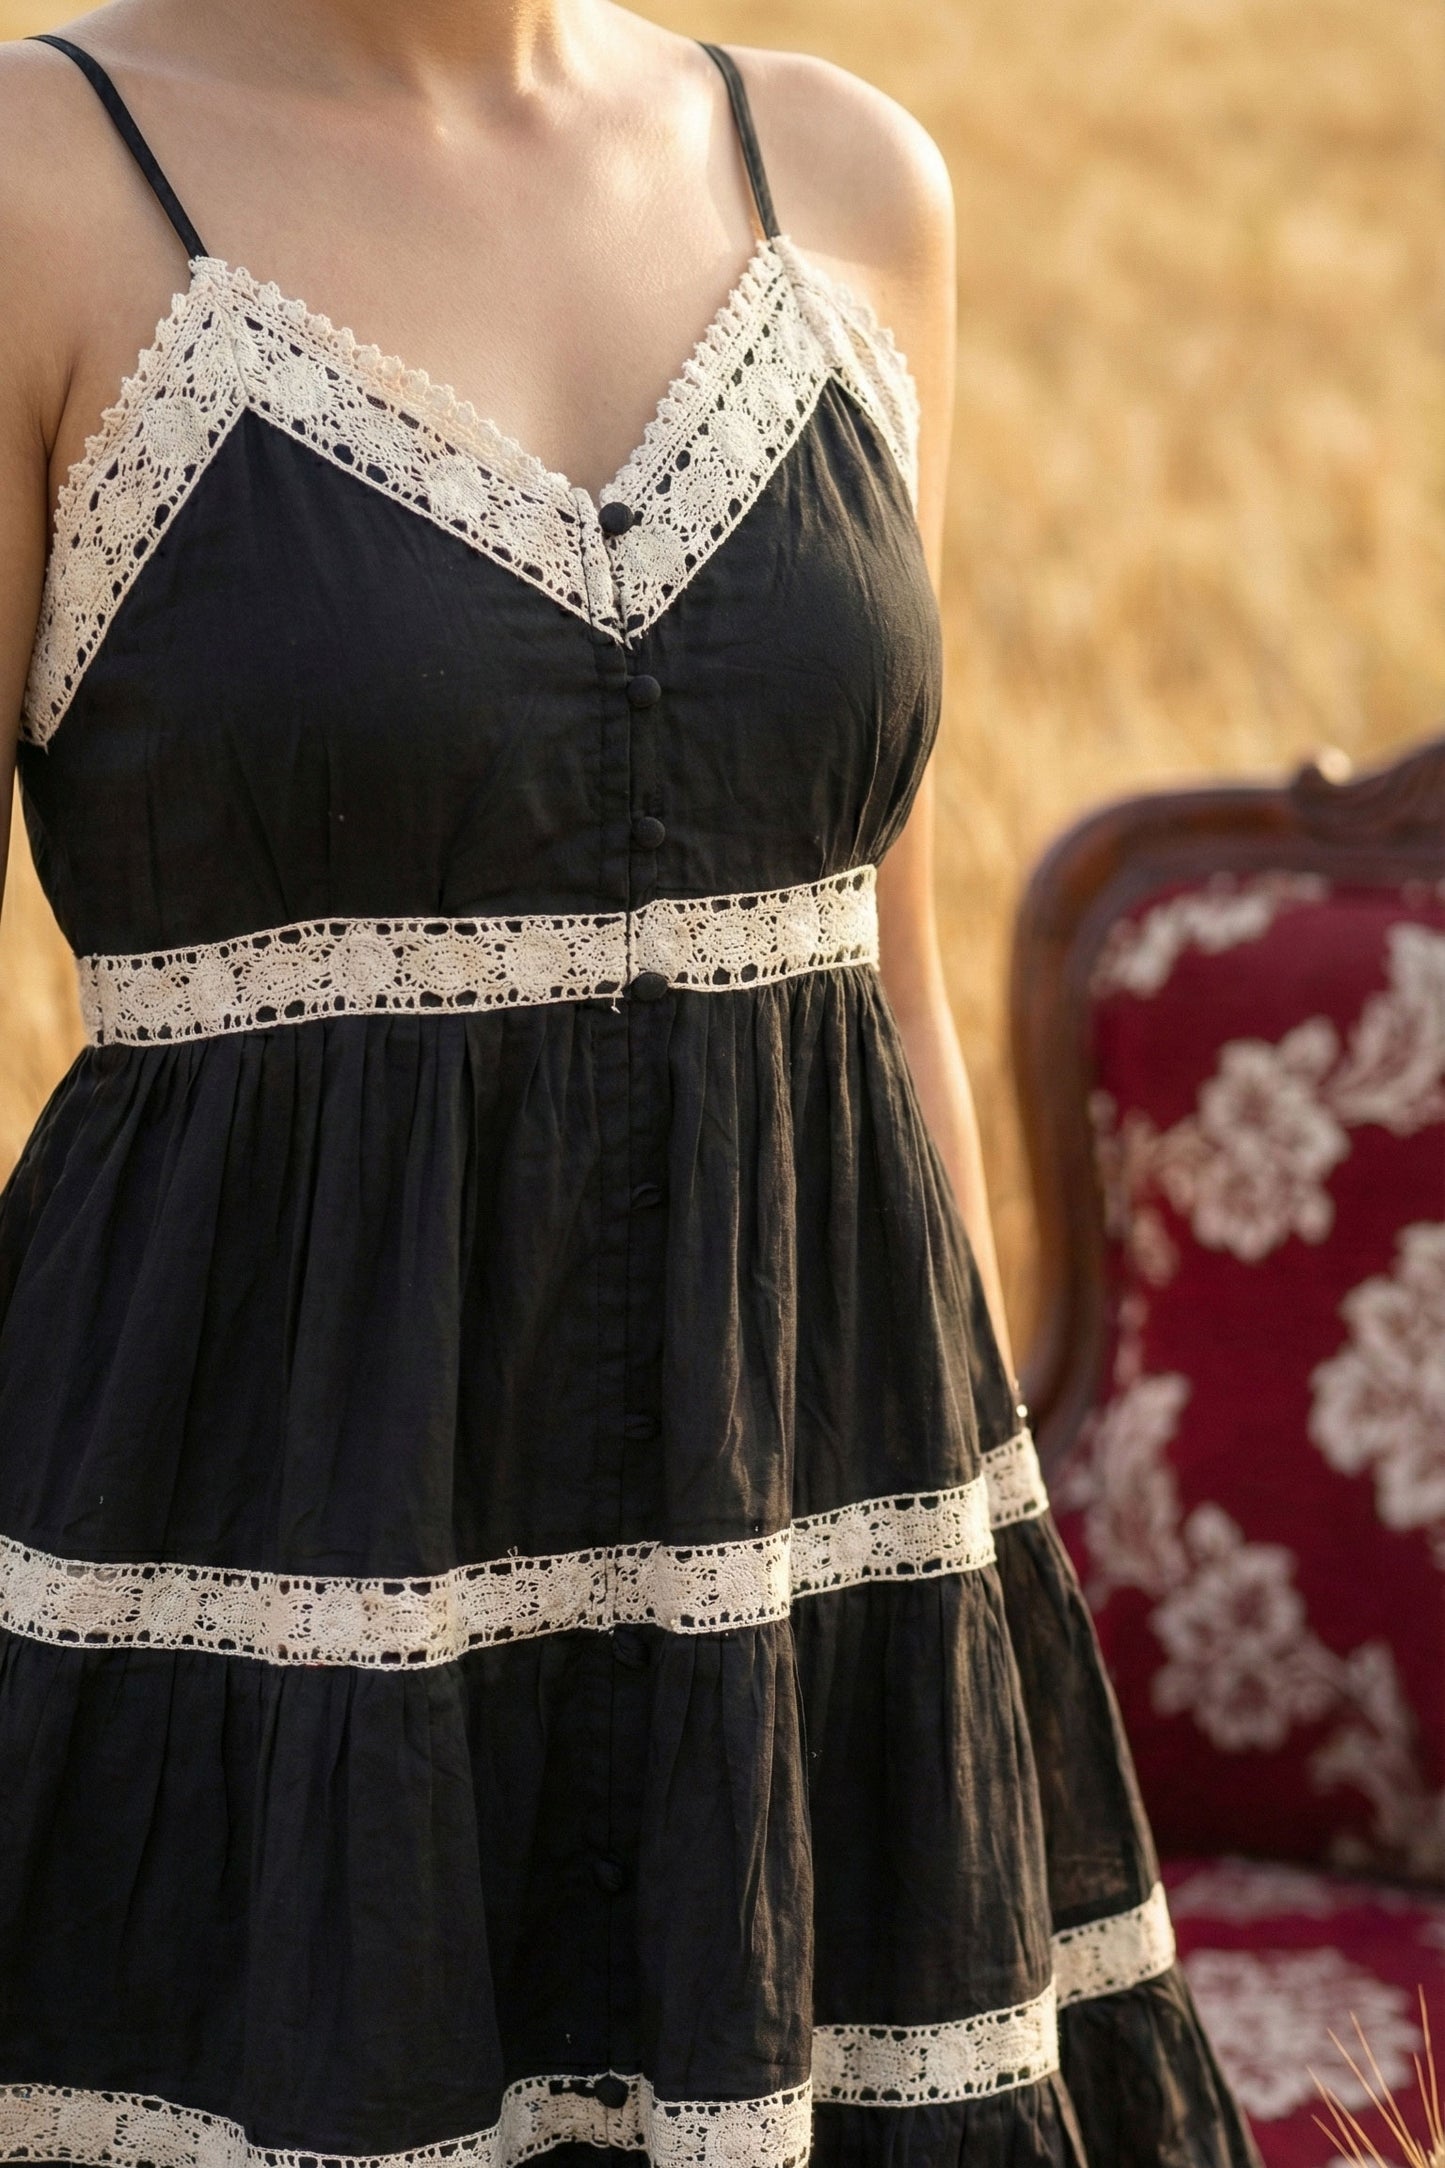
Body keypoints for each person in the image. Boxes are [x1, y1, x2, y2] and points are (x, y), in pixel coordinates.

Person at [0, 3, 1260, 2162]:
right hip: (249, 1620)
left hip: (795, 1596)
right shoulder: (48, 182)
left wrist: (940, 1641)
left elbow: (893, 985)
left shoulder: (851, 179)